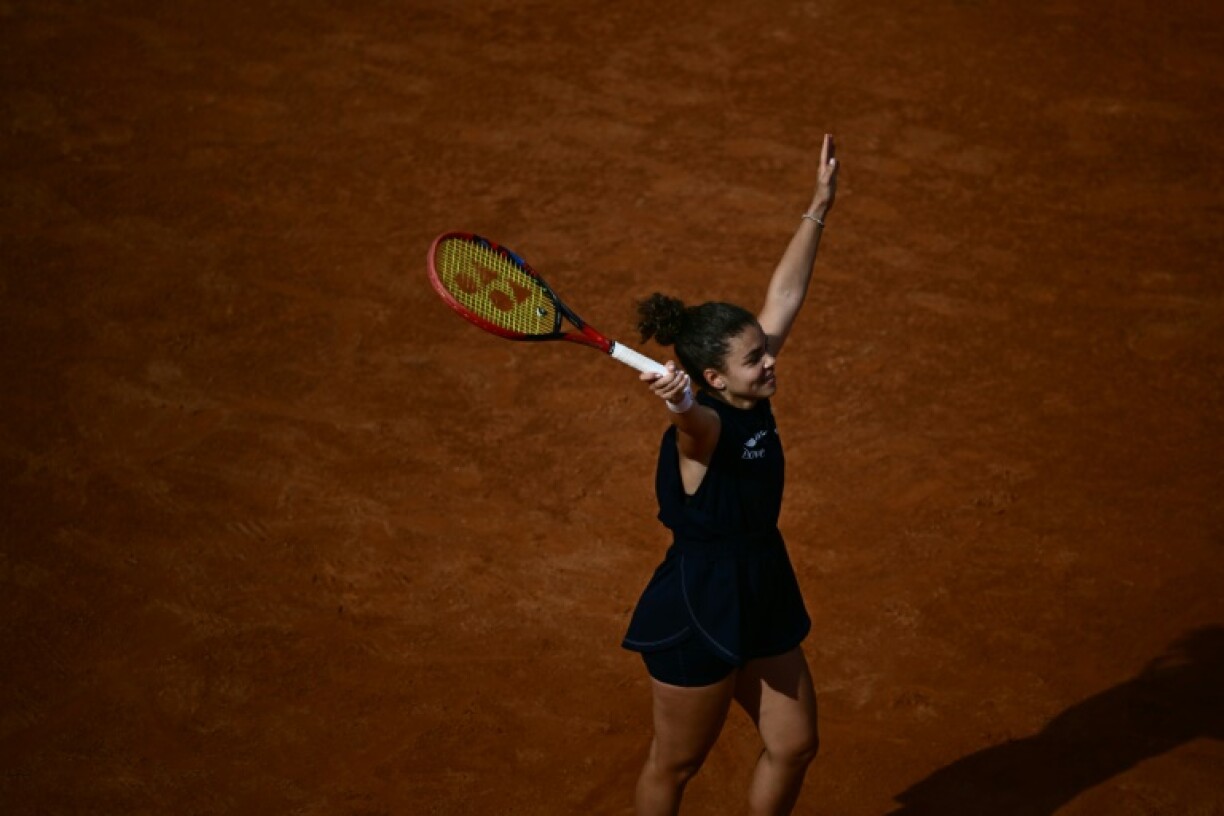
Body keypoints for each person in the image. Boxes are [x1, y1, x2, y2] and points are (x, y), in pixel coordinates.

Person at [622, 134, 839, 815]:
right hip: (700, 602)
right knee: (677, 763)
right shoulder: (706, 425)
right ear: (715, 377)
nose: (770, 360)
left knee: (795, 743)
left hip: (762, 582)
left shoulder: (746, 387)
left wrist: (818, 207)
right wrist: (680, 400)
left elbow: (785, 295)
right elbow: (693, 423)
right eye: (755, 358)